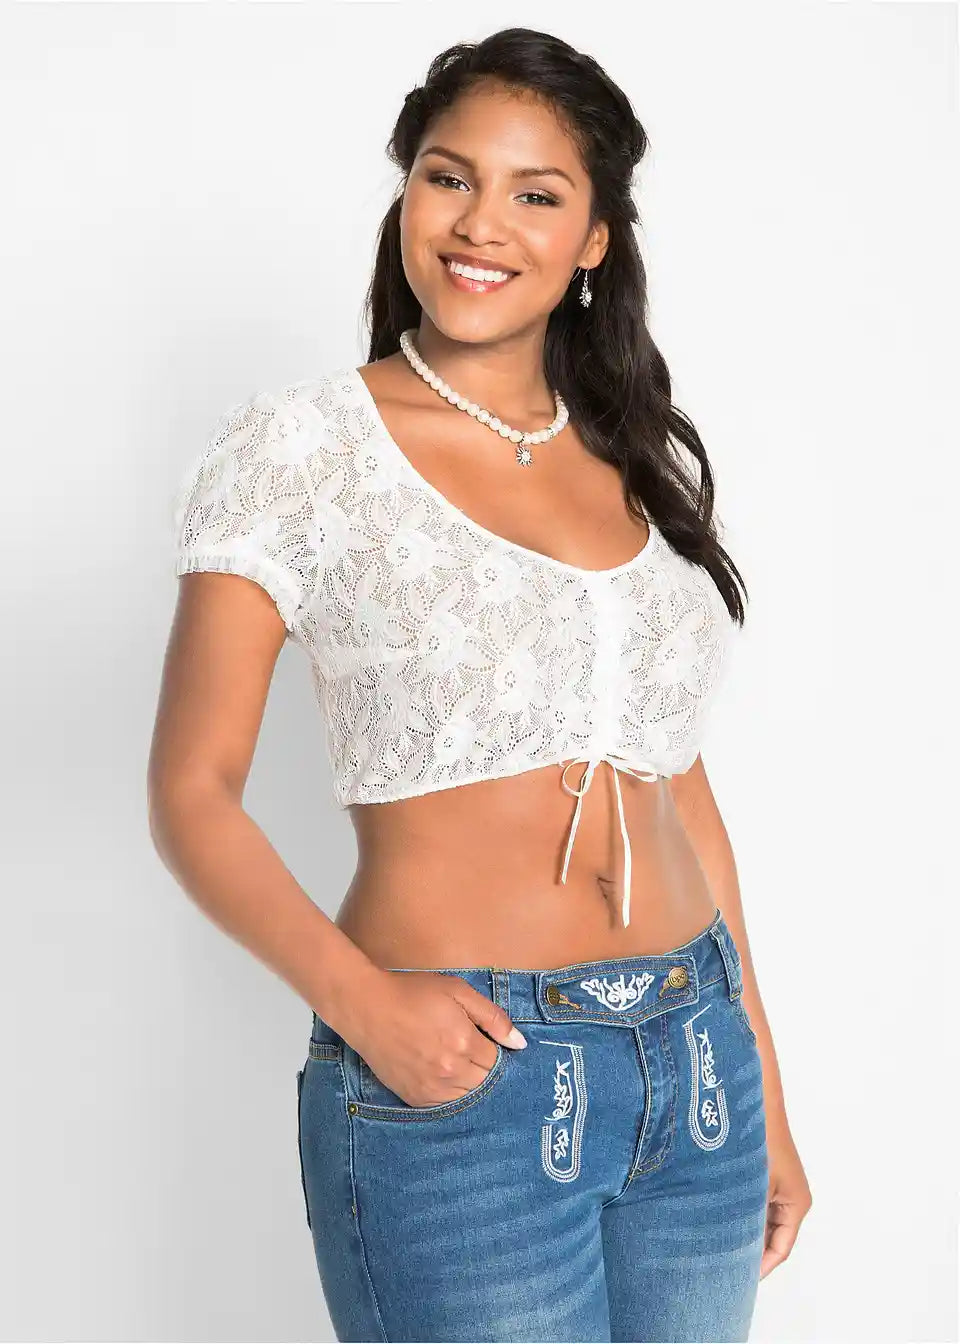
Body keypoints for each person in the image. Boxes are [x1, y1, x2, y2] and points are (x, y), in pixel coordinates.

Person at [148, 25, 811, 1344]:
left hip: (697, 1067)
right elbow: (192, 792)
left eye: (536, 194)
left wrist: (769, 1094)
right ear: (407, 193)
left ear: (595, 240)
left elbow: (678, 790)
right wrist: (366, 1008)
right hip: (465, 1082)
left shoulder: (631, 457)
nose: (481, 224)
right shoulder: (303, 450)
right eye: (450, 177)